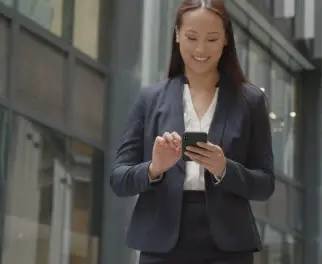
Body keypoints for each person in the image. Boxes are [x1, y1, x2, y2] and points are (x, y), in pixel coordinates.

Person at [110, 0, 275, 263]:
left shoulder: (249, 101)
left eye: (212, 39)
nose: (200, 49)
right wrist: (155, 168)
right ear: (177, 35)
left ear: (225, 41)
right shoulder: (151, 99)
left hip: (229, 245)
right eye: (191, 37)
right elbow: (119, 178)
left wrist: (225, 168)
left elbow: (265, 183)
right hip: (161, 242)